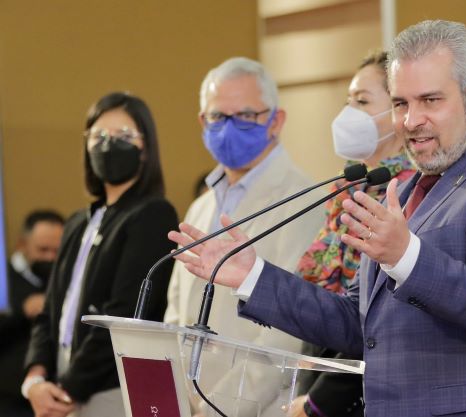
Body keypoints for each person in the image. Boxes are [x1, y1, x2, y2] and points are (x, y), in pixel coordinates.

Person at [170, 20, 466, 417]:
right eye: (401, 104)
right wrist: (253, 275)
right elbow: (355, 324)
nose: (411, 120)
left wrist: (406, 255)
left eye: (430, 100)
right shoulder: (404, 193)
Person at [163, 57, 324, 417]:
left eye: (246, 115)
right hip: (187, 404)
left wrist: (217, 408)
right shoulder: (200, 206)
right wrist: (179, 398)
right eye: (218, 117)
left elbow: (286, 331)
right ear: (202, 121)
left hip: (252, 407)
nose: (229, 127)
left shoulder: (304, 200)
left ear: (275, 121)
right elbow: (176, 310)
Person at [22, 92, 179, 417]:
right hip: (61, 382)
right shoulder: (78, 222)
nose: (109, 145)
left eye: (124, 136)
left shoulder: (153, 214)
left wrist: (65, 391)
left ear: (145, 147)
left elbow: (124, 316)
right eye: (99, 136)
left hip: (111, 388)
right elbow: (49, 311)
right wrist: (35, 378)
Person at [291, 50, 415, 417]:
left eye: (362, 101)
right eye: (348, 101)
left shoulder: (409, 192)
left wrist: (318, 402)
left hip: (369, 390)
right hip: (321, 370)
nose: (348, 113)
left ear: (397, 110)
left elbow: (380, 313)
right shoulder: (349, 187)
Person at [0, 210, 64, 417]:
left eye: (57, 251)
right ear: (22, 244)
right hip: (8, 400)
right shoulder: (4, 280)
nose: (50, 257)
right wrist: (22, 311)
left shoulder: (64, 281)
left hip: (50, 398)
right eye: (43, 249)